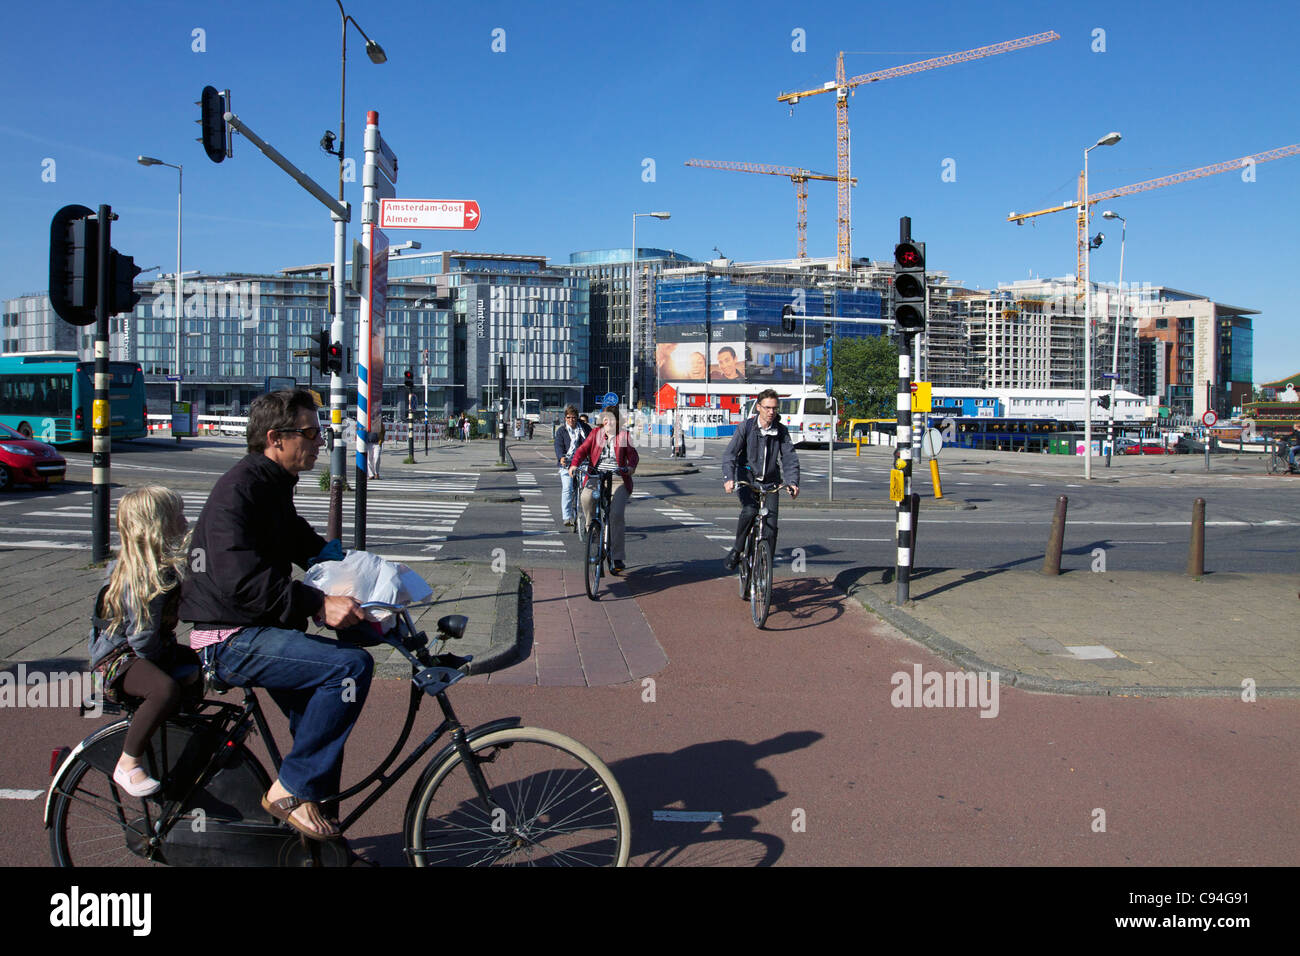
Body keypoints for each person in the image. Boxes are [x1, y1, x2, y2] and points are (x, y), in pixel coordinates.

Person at [180, 389, 370, 842]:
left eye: (318, 431)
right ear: (275, 438)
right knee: (350, 667)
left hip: (258, 628)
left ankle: (317, 843)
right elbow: (239, 582)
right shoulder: (240, 489)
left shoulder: (271, 485)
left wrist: (361, 576)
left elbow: (305, 545)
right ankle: (288, 791)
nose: (319, 440)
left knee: (323, 720)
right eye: (309, 432)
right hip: (229, 637)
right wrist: (317, 604)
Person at [88, 486, 202, 797]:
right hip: (117, 660)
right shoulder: (142, 577)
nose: (186, 520)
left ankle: (183, 730)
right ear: (159, 527)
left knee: (194, 663)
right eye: (178, 515)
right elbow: (141, 641)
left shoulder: (164, 568)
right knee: (163, 688)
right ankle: (129, 761)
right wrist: (166, 660)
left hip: (144, 650)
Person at [721, 388, 800, 570]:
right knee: (749, 511)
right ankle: (737, 550)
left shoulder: (781, 431)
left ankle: (765, 567)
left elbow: (789, 458)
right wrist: (729, 478)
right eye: (767, 408)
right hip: (748, 478)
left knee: (771, 527)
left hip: (771, 482)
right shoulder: (747, 427)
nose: (771, 412)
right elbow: (730, 454)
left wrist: (792, 482)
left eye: (774, 408)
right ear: (758, 407)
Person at [569, 406, 639, 573]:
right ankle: (590, 528)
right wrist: (574, 465)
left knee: (616, 515)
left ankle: (617, 557)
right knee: (586, 497)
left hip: (617, 479)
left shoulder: (623, 436)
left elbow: (633, 455)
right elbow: (582, 450)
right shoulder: (596, 434)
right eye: (606, 419)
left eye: (612, 419)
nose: (608, 422)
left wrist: (630, 467)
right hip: (596, 477)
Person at [553, 405, 593, 528]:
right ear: (565, 418)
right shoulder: (561, 430)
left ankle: (587, 516)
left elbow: (592, 442)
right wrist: (561, 457)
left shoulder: (585, 428)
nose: (571, 420)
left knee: (586, 489)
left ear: (577, 418)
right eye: (568, 417)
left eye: (574, 417)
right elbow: (558, 446)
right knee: (567, 489)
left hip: (582, 463)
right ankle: (566, 516)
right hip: (567, 463)